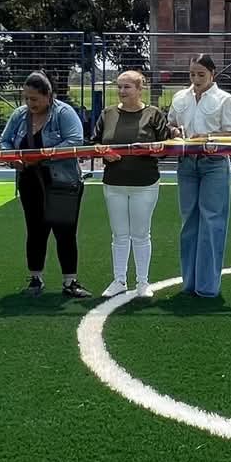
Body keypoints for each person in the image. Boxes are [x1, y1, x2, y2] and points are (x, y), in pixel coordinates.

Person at [0, 72, 87, 296]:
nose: (30, 103)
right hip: (29, 181)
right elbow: (4, 141)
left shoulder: (64, 113)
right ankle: (35, 278)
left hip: (61, 182)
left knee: (64, 231)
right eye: (27, 98)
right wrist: (12, 158)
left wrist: (42, 156)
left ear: (48, 95)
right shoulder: (20, 115)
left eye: (35, 99)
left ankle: (70, 281)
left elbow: (75, 140)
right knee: (35, 230)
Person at [94, 69, 174, 297]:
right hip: (114, 183)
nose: (122, 91)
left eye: (127, 87)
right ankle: (119, 280)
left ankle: (142, 282)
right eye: (119, 86)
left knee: (140, 234)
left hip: (144, 183)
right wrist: (103, 153)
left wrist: (156, 150)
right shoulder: (107, 113)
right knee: (119, 234)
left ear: (140, 89)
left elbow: (166, 147)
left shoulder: (154, 114)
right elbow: (95, 143)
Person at [168, 54, 231, 299]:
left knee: (212, 220)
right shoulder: (180, 97)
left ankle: (208, 286)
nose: (196, 79)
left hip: (214, 164)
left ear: (212, 74)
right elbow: (170, 124)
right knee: (189, 220)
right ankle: (189, 283)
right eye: (192, 74)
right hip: (186, 164)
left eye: (201, 74)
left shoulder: (225, 99)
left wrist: (208, 138)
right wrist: (175, 131)